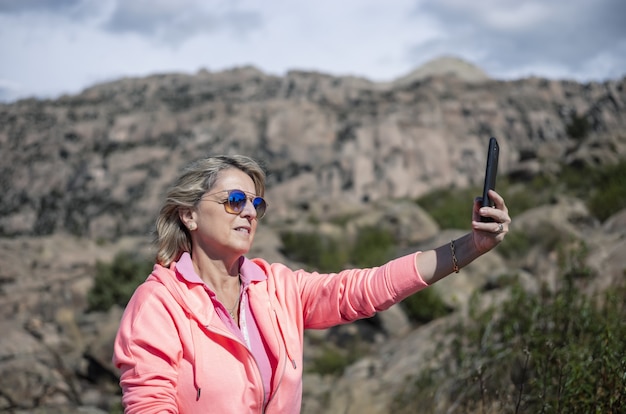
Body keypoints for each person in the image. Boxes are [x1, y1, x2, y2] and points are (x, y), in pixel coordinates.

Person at [112, 154, 511, 413]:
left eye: (256, 204)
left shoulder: (276, 287)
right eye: (235, 200)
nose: (249, 212)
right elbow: (149, 406)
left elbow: (366, 288)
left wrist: (471, 246)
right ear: (189, 216)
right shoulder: (158, 304)